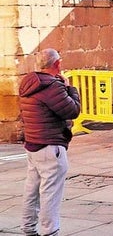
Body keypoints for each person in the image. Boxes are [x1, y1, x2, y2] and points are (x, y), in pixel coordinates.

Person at [20, 48, 82, 236]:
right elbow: (73, 110)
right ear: (57, 64)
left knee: (32, 189)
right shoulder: (51, 86)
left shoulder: (28, 82)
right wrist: (70, 88)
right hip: (50, 145)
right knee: (50, 192)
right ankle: (49, 231)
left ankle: (28, 228)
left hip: (33, 143)